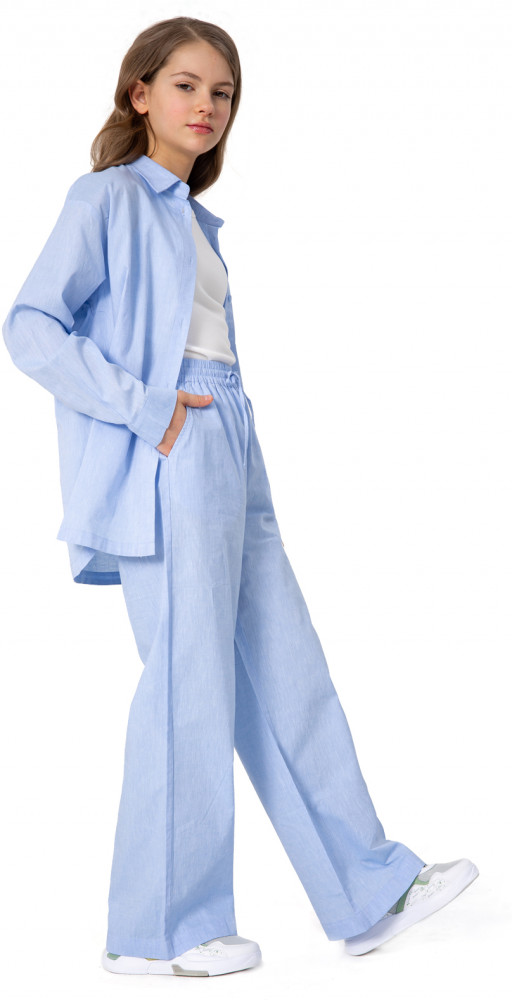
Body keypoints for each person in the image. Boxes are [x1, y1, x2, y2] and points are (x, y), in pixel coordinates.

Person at [2, 15, 479, 979]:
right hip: (172, 439)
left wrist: (202, 419)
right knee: (189, 685)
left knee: (284, 662)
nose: (207, 105)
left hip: (227, 432)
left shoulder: (192, 217)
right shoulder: (107, 198)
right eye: (186, 85)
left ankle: (368, 888)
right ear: (140, 93)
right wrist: (147, 409)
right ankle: (159, 932)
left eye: (222, 92)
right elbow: (31, 325)